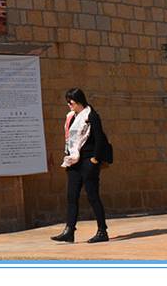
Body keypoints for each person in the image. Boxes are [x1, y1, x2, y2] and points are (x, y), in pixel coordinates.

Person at [51, 87, 109, 243]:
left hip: (88, 161)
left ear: (78, 101)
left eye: (70, 102)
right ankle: (69, 231)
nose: (69, 105)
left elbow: (99, 139)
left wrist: (95, 160)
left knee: (92, 196)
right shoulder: (71, 117)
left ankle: (102, 231)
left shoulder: (91, 116)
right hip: (74, 161)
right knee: (71, 196)